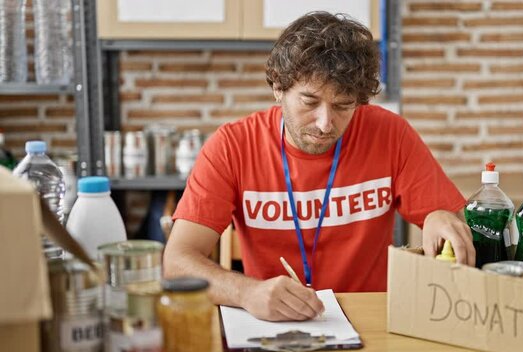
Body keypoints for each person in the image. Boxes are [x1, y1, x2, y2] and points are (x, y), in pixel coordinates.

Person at [164, 11, 474, 322]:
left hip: (372, 320)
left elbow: (444, 217)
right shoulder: (232, 146)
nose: (326, 124)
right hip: (274, 322)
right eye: (310, 102)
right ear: (278, 88)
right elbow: (177, 262)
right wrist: (246, 292)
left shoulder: (390, 134)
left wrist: (440, 217)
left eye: (342, 106)